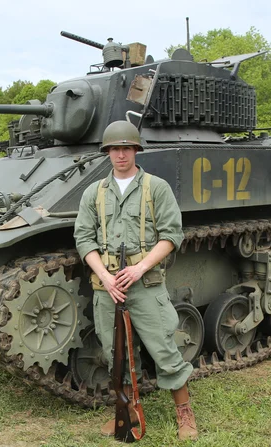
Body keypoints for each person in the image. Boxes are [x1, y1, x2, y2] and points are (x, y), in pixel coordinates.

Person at [74, 120, 198, 441]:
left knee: (163, 347)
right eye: (115, 149)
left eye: (126, 148)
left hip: (144, 283)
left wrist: (139, 268)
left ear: (136, 150)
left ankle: (184, 413)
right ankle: (126, 411)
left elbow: (172, 235)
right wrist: (105, 276)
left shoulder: (156, 188)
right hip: (108, 287)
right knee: (115, 353)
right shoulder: (94, 193)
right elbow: (84, 239)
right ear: (108, 153)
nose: (120, 155)